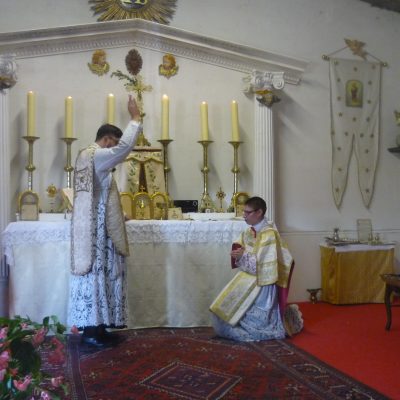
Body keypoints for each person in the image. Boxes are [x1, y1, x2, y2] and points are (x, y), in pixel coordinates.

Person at [68, 95, 142, 347]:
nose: (115, 147)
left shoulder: (87, 156)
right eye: (114, 142)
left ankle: (99, 326)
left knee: (100, 275)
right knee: (96, 274)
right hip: (96, 233)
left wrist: (118, 214)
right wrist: (135, 118)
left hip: (95, 226)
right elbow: (123, 151)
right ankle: (91, 330)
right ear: (108, 139)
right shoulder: (96, 154)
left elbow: (95, 196)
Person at [210, 196, 303, 341]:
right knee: (221, 309)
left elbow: (265, 267)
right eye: (243, 212)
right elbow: (241, 248)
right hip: (248, 277)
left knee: (253, 326)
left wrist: (243, 255)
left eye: (247, 213)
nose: (244, 216)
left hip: (263, 284)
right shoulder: (249, 231)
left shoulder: (269, 234)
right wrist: (238, 254)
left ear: (259, 212)